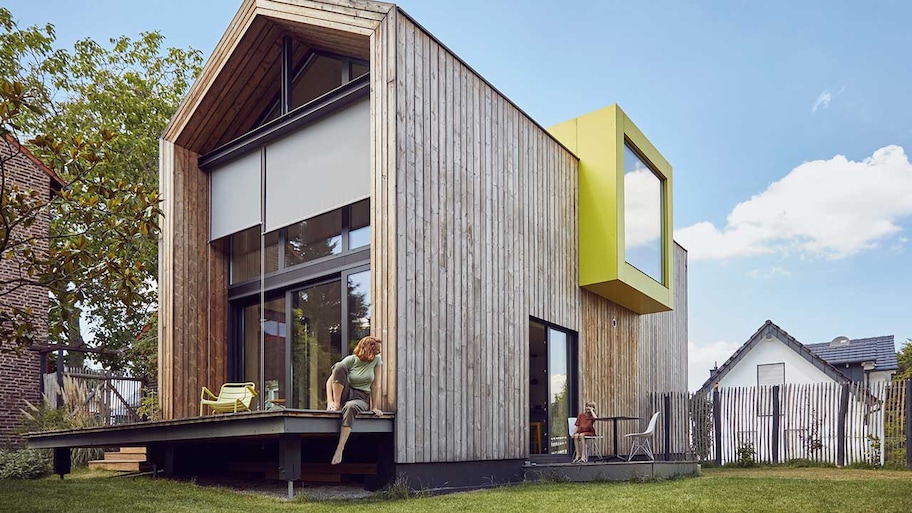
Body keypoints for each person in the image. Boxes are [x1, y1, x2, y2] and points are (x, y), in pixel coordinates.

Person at [325, 336, 384, 465]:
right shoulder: (351, 360)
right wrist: (330, 402)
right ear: (366, 350)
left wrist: (374, 407)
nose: (377, 354)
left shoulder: (377, 361)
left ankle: (340, 448)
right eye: (374, 351)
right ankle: (337, 404)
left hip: (361, 397)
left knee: (351, 407)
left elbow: (375, 385)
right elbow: (331, 380)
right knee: (338, 366)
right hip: (345, 393)